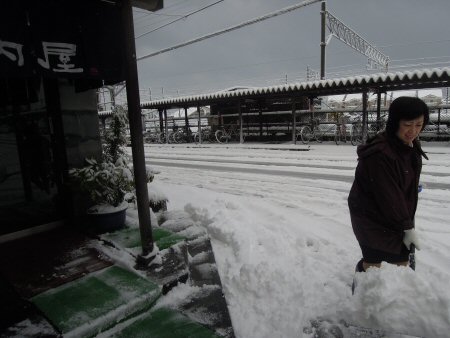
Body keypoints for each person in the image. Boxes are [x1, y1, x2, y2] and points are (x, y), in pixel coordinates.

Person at [348, 96, 429, 275]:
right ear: (395, 122)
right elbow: (388, 196)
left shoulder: (409, 145)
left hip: (393, 216)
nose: (413, 131)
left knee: (399, 263)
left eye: (419, 124)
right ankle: (362, 281)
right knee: (376, 268)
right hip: (372, 218)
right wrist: (407, 228)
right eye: (408, 124)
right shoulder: (380, 154)